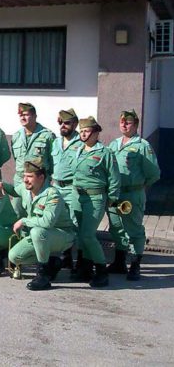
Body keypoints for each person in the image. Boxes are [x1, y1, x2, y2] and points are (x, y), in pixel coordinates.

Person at [0, 158, 77, 291]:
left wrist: (24, 221)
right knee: (14, 256)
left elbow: (47, 222)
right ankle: (52, 262)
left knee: (37, 231)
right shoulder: (26, 188)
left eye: (30, 176)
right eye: (24, 176)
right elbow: (14, 191)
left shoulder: (52, 194)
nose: (25, 180)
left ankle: (43, 275)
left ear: (41, 177)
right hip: (41, 237)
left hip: (62, 235)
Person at [106, 110, 160, 281]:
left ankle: (135, 265)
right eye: (122, 121)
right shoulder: (114, 144)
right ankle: (119, 262)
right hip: (115, 194)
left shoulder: (142, 146)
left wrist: (138, 186)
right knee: (116, 227)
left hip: (132, 194)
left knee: (134, 230)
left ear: (135, 125)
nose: (124, 124)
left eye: (128, 122)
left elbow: (153, 173)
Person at [70, 116, 120, 288]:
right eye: (81, 131)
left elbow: (114, 178)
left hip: (95, 197)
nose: (83, 134)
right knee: (79, 233)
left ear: (96, 132)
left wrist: (112, 199)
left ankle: (101, 270)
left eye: (86, 131)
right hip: (77, 196)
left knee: (88, 234)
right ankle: (85, 267)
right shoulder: (78, 150)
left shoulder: (105, 153)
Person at [50, 108, 82, 270]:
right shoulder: (55, 142)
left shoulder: (81, 143)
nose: (63, 125)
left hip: (72, 188)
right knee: (58, 220)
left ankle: (77, 258)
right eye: (60, 122)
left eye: (67, 123)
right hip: (56, 187)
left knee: (73, 222)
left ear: (75, 124)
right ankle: (65, 255)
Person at [11, 102, 55, 190]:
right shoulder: (16, 136)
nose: (22, 118)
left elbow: (53, 161)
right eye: (21, 115)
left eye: (26, 115)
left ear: (35, 116)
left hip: (40, 182)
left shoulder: (47, 136)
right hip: (20, 181)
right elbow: (16, 159)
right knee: (16, 204)